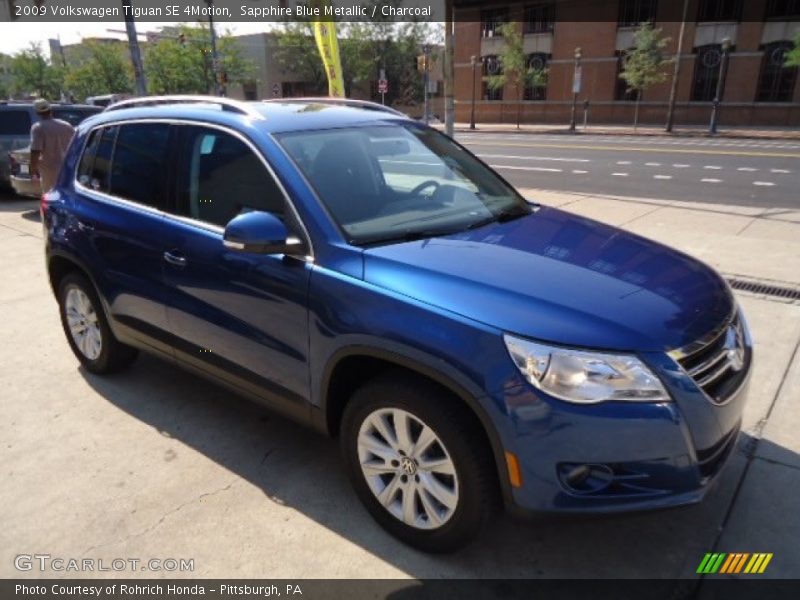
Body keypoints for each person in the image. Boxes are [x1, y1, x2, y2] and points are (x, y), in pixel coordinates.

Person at [30, 99, 75, 194]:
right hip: (68, 167)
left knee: (50, 195)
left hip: (49, 169)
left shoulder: (38, 128)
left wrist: (33, 172)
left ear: (37, 112)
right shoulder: (66, 125)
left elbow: (35, 151)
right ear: (51, 109)